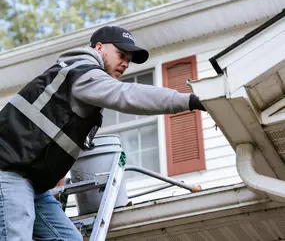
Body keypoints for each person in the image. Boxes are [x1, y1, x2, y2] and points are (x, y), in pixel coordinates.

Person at [0, 26, 206, 241]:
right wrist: (190, 100)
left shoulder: (79, 80)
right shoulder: (81, 73)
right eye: (121, 55)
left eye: (129, 60)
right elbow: (127, 94)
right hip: (7, 171)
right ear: (99, 48)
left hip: (33, 184)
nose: (125, 63)